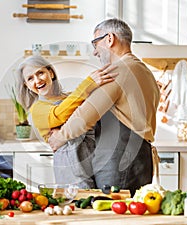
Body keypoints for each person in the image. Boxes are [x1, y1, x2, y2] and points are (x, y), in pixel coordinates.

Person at [48, 18, 160, 196]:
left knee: (111, 218)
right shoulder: (143, 70)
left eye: (95, 43)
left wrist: (59, 137)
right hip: (140, 158)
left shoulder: (119, 70)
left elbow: (85, 115)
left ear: (110, 39)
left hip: (119, 159)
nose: (94, 52)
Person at [16, 55, 118, 188]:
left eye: (40, 73)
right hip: (71, 164)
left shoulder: (70, 97)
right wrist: (88, 84)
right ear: (27, 85)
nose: (37, 80)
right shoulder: (37, 109)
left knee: (97, 201)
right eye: (30, 78)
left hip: (93, 155)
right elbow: (60, 114)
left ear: (50, 73)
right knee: (79, 201)